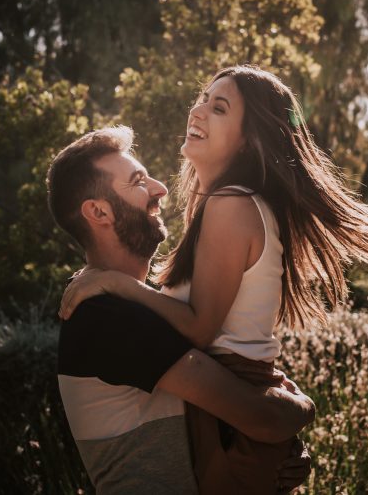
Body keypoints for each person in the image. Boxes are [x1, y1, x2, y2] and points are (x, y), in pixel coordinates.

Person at [61, 65, 368, 493]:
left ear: (248, 139)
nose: (199, 110)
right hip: (234, 418)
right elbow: (255, 403)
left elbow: (202, 330)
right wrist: (289, 414)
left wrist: (282, 422)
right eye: (204, 98)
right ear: (98, 212)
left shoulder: (229, 206)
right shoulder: (111, 314)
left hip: (232, 420)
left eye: (219, 106)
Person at [46, 126, 315, 495]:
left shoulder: (138, 306)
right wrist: (303, 407)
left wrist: (279, 455)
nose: (160, 188)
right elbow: (264, 418)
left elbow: (234, 412)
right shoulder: (108, 317)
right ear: (99, 211)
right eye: (138, 181)